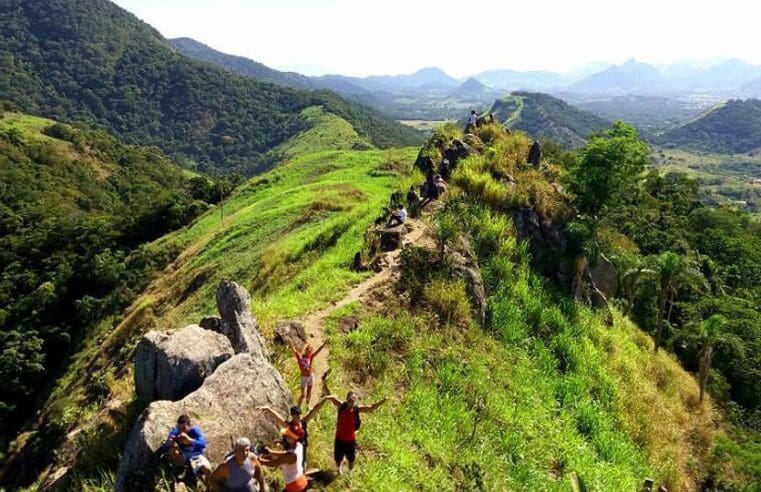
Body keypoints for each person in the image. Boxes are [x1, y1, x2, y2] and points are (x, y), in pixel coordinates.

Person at [324, 392, 388, 475]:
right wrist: (326, 397)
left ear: (355, 401)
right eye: (350, 399)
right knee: (337, 459)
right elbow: (332, 398)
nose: (351, 401)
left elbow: (371, 407)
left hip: (350, 440)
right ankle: (339, 468)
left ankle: (350, 471)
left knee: (351, 459)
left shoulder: (357, 409)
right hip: (339, 438)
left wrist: (383, 401)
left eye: (353, 399)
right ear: (347, 399)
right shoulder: (341, 406)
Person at [256, 399, 328, 469]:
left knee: (303, 464)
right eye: (296, 416)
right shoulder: (289, 425)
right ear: (293, 416)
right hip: (292, 450)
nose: (298, 418)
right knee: (293, 466)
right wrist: (268, 409)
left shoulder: (303, 422)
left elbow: (314, 411)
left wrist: (324, 400)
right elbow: (278, 418)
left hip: (302, 447)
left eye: (299, 416)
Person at [159, 414, 212, 481]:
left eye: (184, 428)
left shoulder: (195, 431)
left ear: (189, 425)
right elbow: (169, 440)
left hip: (195, 456)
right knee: (172, 449)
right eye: (180, 428)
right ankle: (181, 468)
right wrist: (171, 441)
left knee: (207, 470)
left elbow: (203, 444)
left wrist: (190, 441)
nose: (182, 431)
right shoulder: (176, 431)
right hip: (183, 456)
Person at [288, 340, 327, 409]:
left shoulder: (311, 357)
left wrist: (323, 345)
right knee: (303, 394)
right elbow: (294, 350)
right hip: (303, 377)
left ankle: (307, 405)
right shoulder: (300, 357)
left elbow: (317, 351)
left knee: (309, 392)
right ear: (305, 350)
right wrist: (290, 343)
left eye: (310, 351)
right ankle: (298, 407)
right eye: (308, 350)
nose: (309, 352)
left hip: (310, 376)